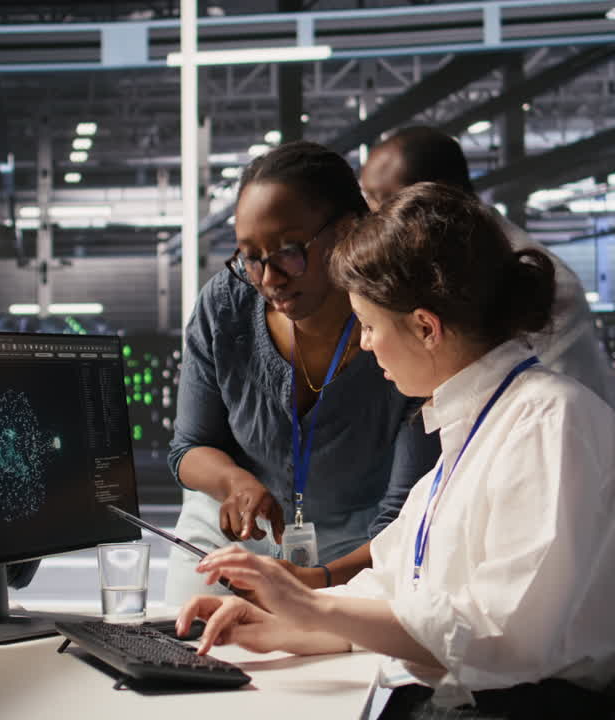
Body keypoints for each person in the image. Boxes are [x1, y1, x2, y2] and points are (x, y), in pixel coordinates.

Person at [177, 182, 615, 719]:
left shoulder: (548, 423)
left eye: (370, 325)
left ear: (426, 327)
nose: (364, 343)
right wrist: (282, 627)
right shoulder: (473, 428)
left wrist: (311, 606)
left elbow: (505, 636)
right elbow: (399, 594)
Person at [282, 126, 615, 591]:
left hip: (591, 512)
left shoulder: (543, 418)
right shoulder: (465, 413)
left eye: (378, 200)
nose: (368, 215)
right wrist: (312, 601)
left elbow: (505, 623)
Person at [163, 141, 440, 604]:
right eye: (251, 257)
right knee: (190, 652)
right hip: (231, 541)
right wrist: (235, 482)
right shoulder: (224, 308)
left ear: (348, 231)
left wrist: (319, 584)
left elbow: (402, 516)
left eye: (288, 252)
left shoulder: (398, 329)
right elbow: (189, 447)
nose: (269, 278)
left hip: (362, 552)